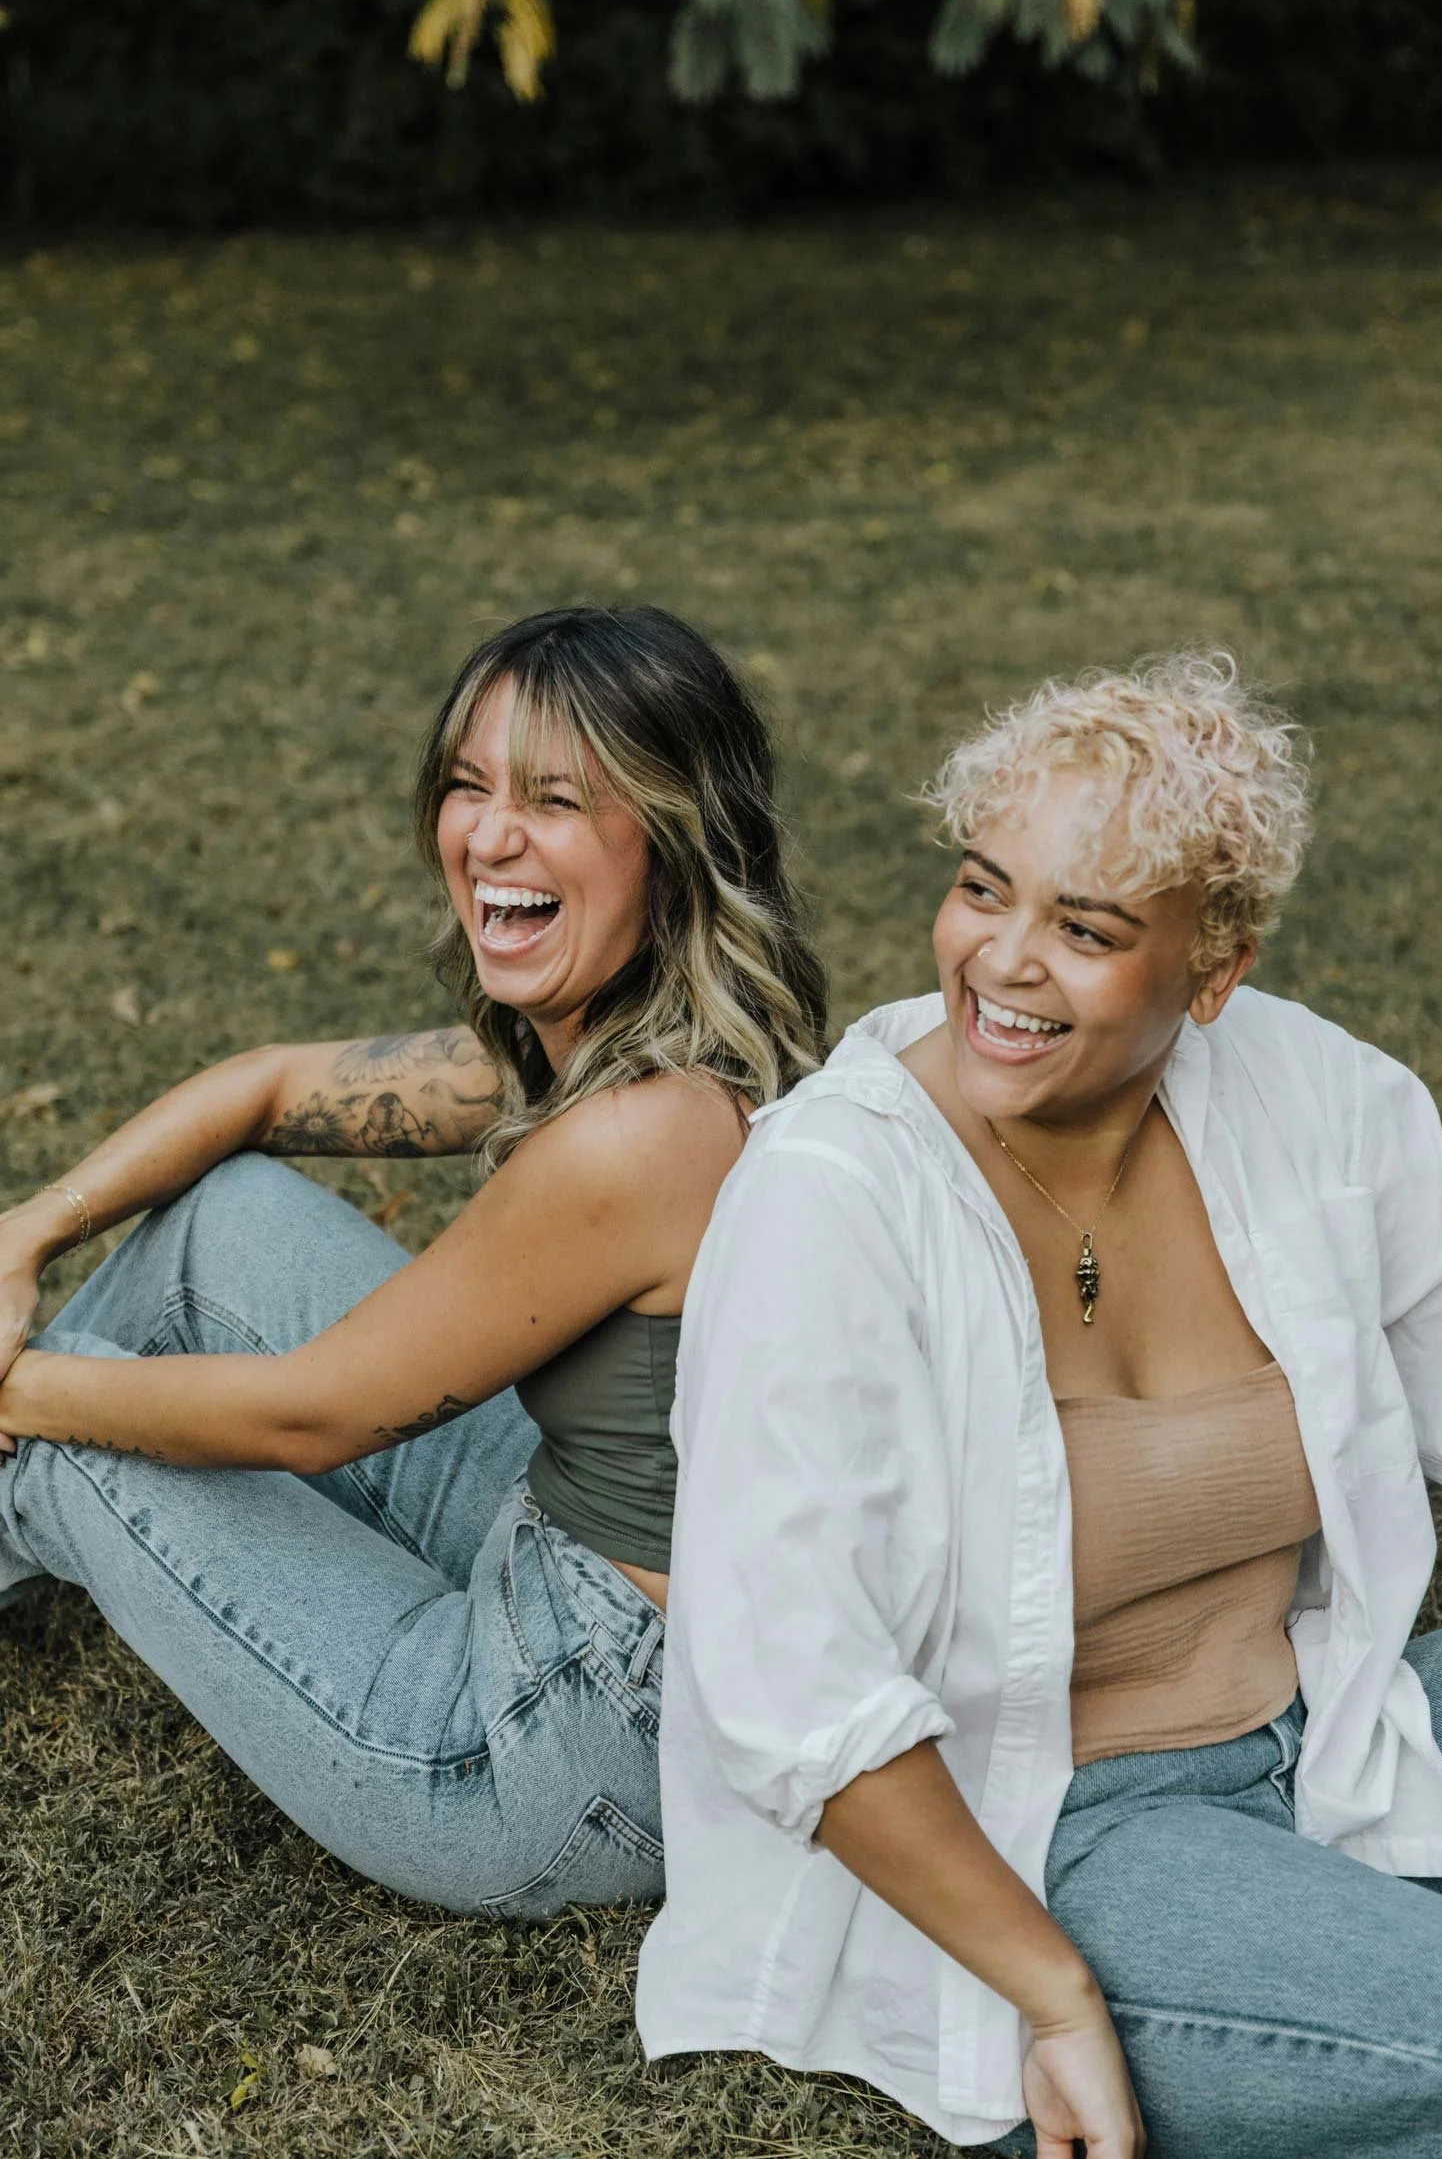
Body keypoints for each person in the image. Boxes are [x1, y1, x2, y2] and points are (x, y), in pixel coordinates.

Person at [638, 650, 1442, 2158]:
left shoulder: (1308, 1092)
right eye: (985, 890)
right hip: (1058, 1838)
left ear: (1214, 974)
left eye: (1086, 929)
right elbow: (792, 1692)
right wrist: (1053, 1998)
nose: (1005, 960)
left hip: (1338, 1737)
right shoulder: (831, 1193)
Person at [0, 603, 826, 1917]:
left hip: (573, 1748)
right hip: (585, 1563)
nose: (488, 836)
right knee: (224, 1219)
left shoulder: (641, 1134)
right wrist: (27, 1230)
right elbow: (271, 1087)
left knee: (74, 1436)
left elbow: (309, 1416)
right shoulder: (639, 1045)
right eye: (468, 784)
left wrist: (25, 1388)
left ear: (675, 840)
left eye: (554, 798)